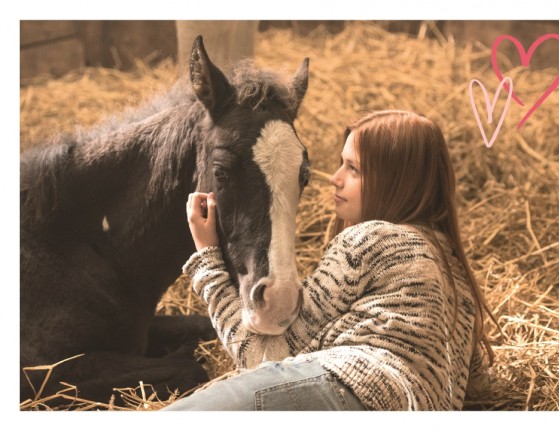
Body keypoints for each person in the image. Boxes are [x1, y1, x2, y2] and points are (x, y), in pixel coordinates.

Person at [163, 110, 498, 411]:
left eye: (353, 168)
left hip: (346, 387)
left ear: (395, 182)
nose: (335, 178)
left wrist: (207, 259)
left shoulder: (372, 239)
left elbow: (262, 357)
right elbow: (479, 386)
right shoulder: (456, 275)